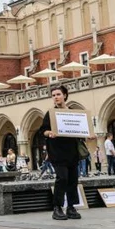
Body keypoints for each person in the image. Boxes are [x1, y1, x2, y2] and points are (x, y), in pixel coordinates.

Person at [39, 84, 92, 221]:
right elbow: (42, 130)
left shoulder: (73, 112)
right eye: (53, 95)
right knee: (62, 178)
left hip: (72, 150)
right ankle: (57, 207)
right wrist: (49, 132)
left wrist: (89, 134)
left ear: (65, 96)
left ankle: (71, 207)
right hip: (57, 151)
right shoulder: (50, 113)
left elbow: (80, 129)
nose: (55, 97)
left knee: (73, 180)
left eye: (58, 94)